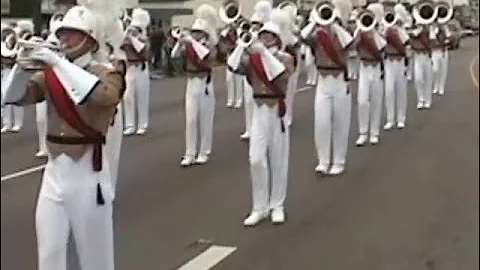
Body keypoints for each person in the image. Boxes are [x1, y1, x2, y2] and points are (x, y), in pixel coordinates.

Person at [1, 4, 125, 270]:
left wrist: (57, 62)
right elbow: (10, 97)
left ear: (90, 38)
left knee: (96, 259)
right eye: (62, 33)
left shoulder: (107, 72)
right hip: (54, 171)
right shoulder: (50, 74)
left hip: (88, 174)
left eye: (72, 33)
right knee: (49, 253)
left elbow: (102, 96)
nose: (64, 38)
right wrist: (20, 66)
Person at [228, 8, 294, 226]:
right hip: (258, 111)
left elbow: (281, 77)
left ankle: (277, 204)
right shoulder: (252, 58)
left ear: (277, 38)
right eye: (263, 35)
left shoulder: (284, 58)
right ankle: (259, 206)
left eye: (269, 36)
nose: (265, 39)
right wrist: (241, 45)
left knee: (278, 159)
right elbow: (233, 66)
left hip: (277, 111)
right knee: (256, 159)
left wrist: (264, 53)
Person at [301, 0, 354, 175]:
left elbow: (350, 44)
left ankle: (339, 160)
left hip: (339, 81)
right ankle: (323, 160)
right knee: (322, 123)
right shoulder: (317, 36)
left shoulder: (343, 35)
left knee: (340, 123)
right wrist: (315, 21)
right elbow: (303, 36)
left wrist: (335, 26)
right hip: (323, 82)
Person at [172, 4, 218, 167]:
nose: (195, 34)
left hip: (205, 82)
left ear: (205, 34)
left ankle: (204, 150)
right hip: (191, 83)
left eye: (198, 32)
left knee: (205, 119)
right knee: (190, 119)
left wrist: (192, 42)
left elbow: (206, 58)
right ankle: (189, 152)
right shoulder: (191, 45)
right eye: (194, 32)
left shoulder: (209, 46)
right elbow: (174, 55)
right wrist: (179, 42)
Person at [353, 3, 387, 146]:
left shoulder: (381, 30)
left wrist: (373, 33)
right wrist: (360, 32)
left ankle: (374, 132)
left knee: (376, 101)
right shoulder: (359, 31)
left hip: (376, 67)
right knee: (362, 101)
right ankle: (363, 132)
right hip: (364, 68)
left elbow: (382, 48)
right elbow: (352, 45)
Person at [382, 2, 411, 130]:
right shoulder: (384, 30)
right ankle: (390, 119)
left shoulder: (400, 31)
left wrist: (398, 30)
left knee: (400, 90)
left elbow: (406, 43)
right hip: (389, 62)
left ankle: (401, 118)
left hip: (399, 62)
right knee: (389, 91)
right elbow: (380, 43)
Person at [122, 8, 151, 135]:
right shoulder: (126, 38)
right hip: (129, 69)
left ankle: (142, 124)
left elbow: (144, 52)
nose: (132, 31)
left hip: (141, 68)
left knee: (142, 97)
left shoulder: (144, 41)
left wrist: (134, 38)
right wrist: (125, 34)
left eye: (135, 29)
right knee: (127, 97)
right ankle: (129, 125)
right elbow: (118, 46)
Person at [410, 0, 436, 110]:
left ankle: (427, 100)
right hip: (417, 56)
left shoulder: (431, 28)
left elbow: (433, 41)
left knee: (428, 78)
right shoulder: (416, 27)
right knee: (418, 79)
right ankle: (420, 99)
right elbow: (410, 38)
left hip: (427, 56)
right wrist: (418, 30)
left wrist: (429, 30)